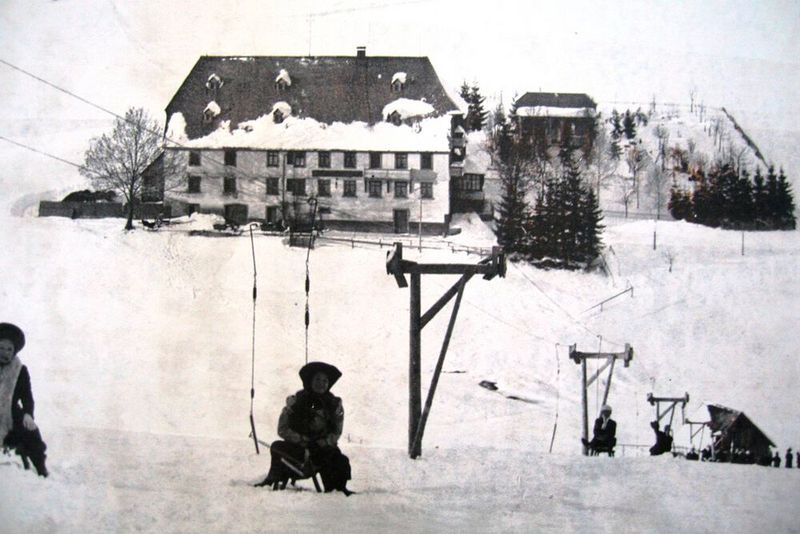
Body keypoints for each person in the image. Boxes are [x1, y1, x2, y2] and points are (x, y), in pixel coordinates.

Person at [256, 361, 352, 495]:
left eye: (325, 380)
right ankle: (273, 479)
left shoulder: (335, 404)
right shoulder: (295, 402)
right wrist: (302, 440)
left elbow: (337, 431)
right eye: (317, 379)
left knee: (339, 460)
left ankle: (337, 490)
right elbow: (282, 429)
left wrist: (323, 443)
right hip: (298, 450)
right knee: (277, 447)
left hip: (322, 450)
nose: (321, 383)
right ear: (310, 381)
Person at [0, 323, 48, 477]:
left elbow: (27, 397)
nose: (5, 353)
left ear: (14, 351)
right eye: (1, 347)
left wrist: (28, 414)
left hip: (10, 415)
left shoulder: (20, 370)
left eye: (9, 349)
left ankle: (41, 470)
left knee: (31, 431)